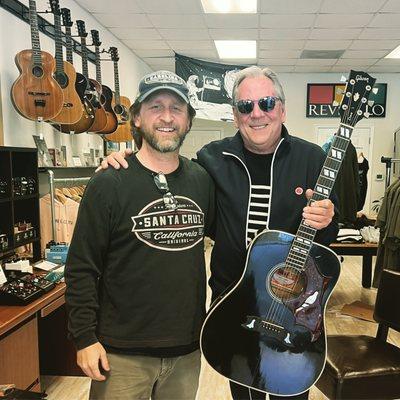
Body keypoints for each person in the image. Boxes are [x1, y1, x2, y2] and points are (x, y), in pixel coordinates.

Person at [101, 66, 338, 400]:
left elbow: (328, 241)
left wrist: (328, 220)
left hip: (294, 311)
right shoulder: (211, 159)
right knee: (244, 389)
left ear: (282, 109)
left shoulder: (314, 159)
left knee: (291, 390)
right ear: (234, 114)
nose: (257, 114)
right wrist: (128, 160)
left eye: (267, 103)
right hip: (233, 306)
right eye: (246, 106)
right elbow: (168, 173)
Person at [65, 70, 215, 400]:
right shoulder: (109, 183)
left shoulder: (202, 181)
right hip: (121, 353)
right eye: (155, 107)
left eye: (177, 108)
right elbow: (81, 267)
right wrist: (85, 338)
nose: (166, 117)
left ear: (188, 120)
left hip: (186, 350)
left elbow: (236, 237)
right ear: (136, 118)